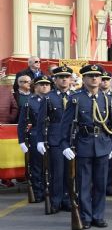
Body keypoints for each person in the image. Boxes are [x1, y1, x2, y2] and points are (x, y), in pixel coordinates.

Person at [60, 64, 112, 229]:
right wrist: (65, 145)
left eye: (97, 76)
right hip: (84, 144)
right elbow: (65, 126)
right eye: (90, 76)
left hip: (103, 144)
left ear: (101, 79)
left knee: (100, 184)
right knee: (84, 184)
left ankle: (98, 216)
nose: (94, 78)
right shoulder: (76, 99)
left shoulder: (108, 98)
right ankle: (85, 216)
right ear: (84, 79)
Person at [36, 66, 74, 214]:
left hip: (72, 139)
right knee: (57, 172)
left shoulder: (76, 96)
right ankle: (56, 201)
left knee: (70, 173)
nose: (64, 79)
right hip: (56, 139)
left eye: (66, 76)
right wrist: (40, 140)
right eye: (60, 77)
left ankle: (68, 200)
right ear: (55, 80)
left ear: (71, 79)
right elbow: (41, 121)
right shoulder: (48, 97)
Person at [18, 75, 52, 203]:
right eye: (41, 84)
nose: (44, 86)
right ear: (35, 86)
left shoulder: (54, 99)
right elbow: (22, 123)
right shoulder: (29, 101)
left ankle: (52, 191)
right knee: (37, 167)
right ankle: (38, 192)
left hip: (53, 135)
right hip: (36, 135)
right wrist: (21, 140)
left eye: (47, 84)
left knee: (52, 166)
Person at [100, 71, 112, 197]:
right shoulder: (97, 96)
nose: (105, 81)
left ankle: (108, 186)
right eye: (103, 79)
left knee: (109, 162)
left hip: (109, 131)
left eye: (107, 79)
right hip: (99, 131)